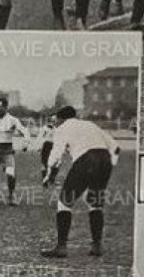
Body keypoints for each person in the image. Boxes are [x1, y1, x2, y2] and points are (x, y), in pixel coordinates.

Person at [40, 105, 119, 258]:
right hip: (105, 159)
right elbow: (115, 147)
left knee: (64, 202)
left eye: (56, 120)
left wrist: (49, 172)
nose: (55, 123)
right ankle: (97, 245)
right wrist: (109, 165)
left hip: (87, 159)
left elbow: (57, 152)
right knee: (94, 201)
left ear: (62, 119)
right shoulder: (90, 124)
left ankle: (61, 247)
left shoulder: (63, 127)